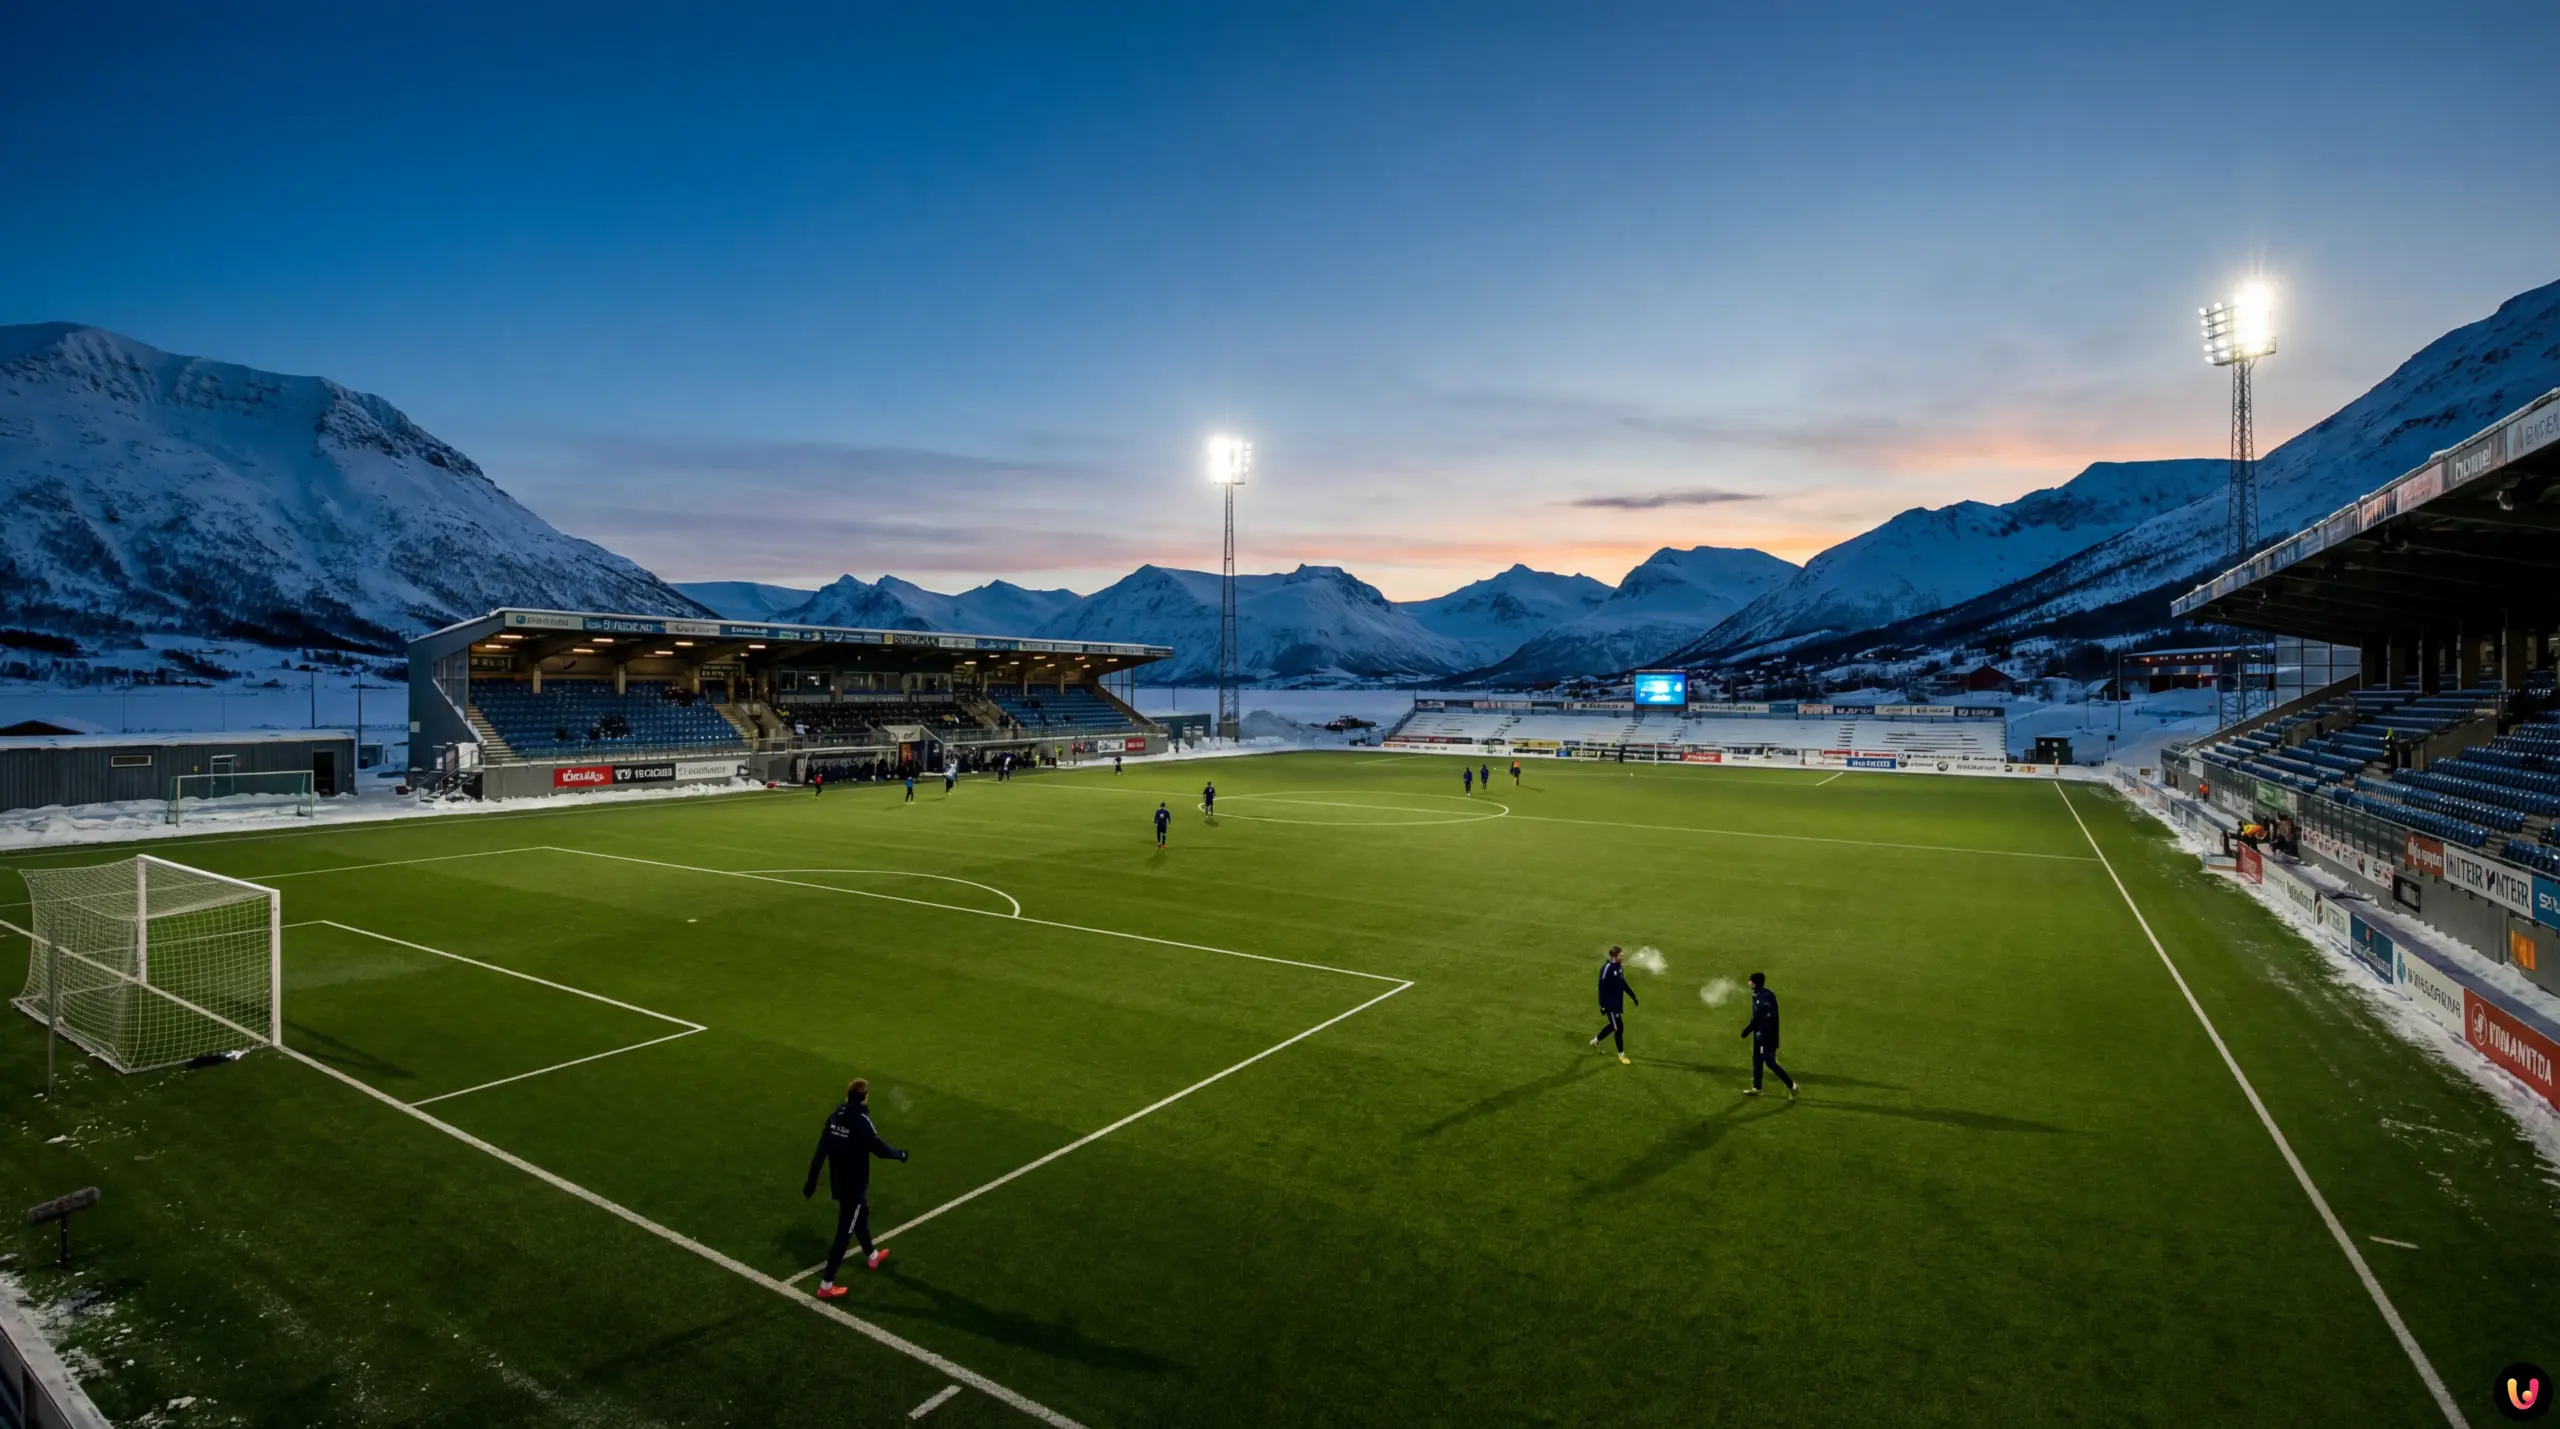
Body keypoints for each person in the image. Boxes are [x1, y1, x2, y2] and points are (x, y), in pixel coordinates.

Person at [802, 1077, 909, 1298]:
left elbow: (821, 1149)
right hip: (854, 1184)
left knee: (861, 1214)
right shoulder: (861, 1120)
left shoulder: (835, 1116)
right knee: (845, 1230)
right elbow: (878, 1149)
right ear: (864, 1097)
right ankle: (826, 1285)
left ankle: (872, 1256)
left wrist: (811, 1180)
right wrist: (901, 1154)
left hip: (839, 1181)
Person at [1739, 972, 1796, 1098]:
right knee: (1757, 1059)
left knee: (1769, 1062)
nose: (1749, 983)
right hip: (1761, 1033)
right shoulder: (1763, 994)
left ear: (1754, 983)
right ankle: (1757, 1087)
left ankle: (1792, 1086)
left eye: (1751, 982)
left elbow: (1757, 1018)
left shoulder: (1762, 999)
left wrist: (1746, 1031)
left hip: (1765, 1035)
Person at [1589, 944, 1636, 1064]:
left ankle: (1595, 1041)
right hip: (1610, 1005)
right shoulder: (1607, 969)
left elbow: (1622, 983)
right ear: (1614, 956)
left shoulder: (1619, 967)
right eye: (1621, 955)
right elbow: (1601, 988)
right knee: (1618, 1028)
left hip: (1617, 1003)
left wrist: (1633, 996)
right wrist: (1602, 1005)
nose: (1623, 956)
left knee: (1614, 1025)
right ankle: (1621, 1055)